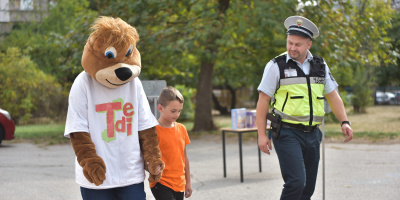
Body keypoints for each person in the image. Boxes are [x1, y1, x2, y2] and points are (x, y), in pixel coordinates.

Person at [256, 16, 353, 200]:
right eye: (290, 42)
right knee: (296, 183)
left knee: (307, 189)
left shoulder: (320, 65)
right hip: (286, 132)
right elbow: (263, 100)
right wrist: (261, 134)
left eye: (298, 44)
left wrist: (344, 122)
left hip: (313, 134)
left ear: (309, 44)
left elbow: (333, 96)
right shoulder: (276, 66)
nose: (292, 47)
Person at [148, 86, 193, 200]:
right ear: (160, 108)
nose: (177, 114)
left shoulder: (182, 129)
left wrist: (188, 182)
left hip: (179, 183)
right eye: (173, 111)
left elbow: (185, 157)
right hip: (160, 182)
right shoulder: (153, 131)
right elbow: (147, 155)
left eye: (179, 111)